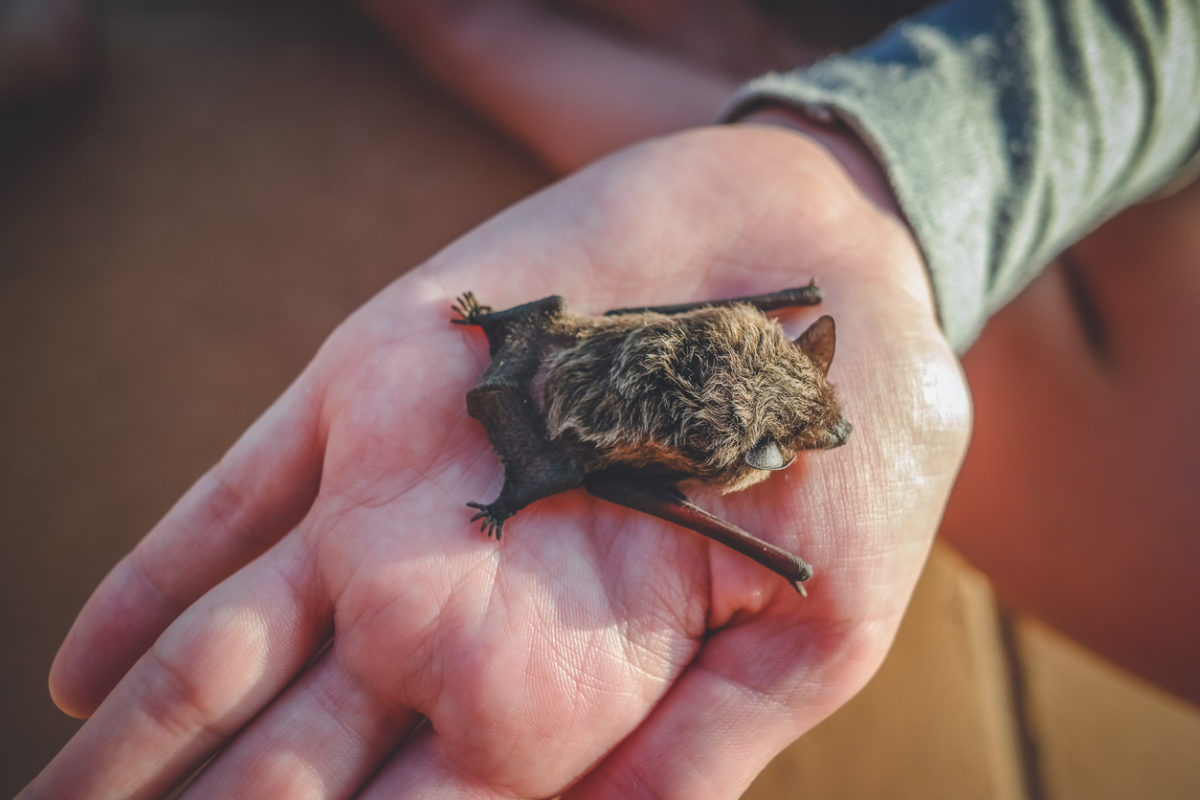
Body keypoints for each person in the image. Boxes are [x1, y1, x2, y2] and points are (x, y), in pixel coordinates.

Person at [18, 0, 1200, 797]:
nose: (828, 434)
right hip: (586, 409)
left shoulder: (756, 346)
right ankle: (489, 29)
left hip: (587, 352)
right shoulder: (728, 452)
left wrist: (853, 180)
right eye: (813, 422)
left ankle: (541, 35)